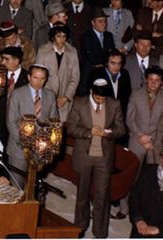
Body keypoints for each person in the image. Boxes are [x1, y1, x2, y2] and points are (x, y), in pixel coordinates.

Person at [66, 79, 126, 238]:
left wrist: (107, 133)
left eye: (104, 99)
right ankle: (79, 228)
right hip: (84, 156)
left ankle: (100, 232)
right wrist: (89, 132)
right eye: (98, 99)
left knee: (102, 195)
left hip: (104, 158)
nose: (101, 101)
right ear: (92, 93)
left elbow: (121, 129)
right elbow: (71, 128)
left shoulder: (115, 104)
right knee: (82, 195)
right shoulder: (79, 103)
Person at [6, 64, 58, 187]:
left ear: (46, 79)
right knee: (16, 186)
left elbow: (53, 121)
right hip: (18, 148)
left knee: (32, 186)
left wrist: (45, 143)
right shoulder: (17, 94)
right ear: (29, 77)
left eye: (42, 79)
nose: (38, 82)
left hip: (40, 150)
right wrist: (25, 142)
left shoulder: (50, 95)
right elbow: (11, 122)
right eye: (35, 77)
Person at [35, 24, 80, 122]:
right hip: (45, 97)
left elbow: (75, 77)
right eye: (58, 36)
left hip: (65, 98)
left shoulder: (72, 52)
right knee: (44, 126)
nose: (62, 39)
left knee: (60, 129)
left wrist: (66, 97)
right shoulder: (43, 51)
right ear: (53, 37)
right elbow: (38, 76)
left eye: (64, 36)